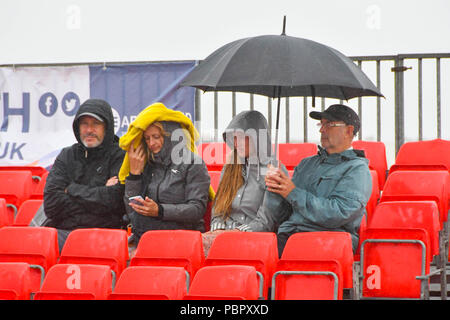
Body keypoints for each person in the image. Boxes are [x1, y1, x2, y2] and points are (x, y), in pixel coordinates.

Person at [265, 104, 372, 256]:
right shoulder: (306, 164)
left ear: (349, 131)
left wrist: (292, 193)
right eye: (321, 124)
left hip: (328, 241)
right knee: (251, 253)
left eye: (329, 124)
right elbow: (283, 213)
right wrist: (275, 189)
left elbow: (339, 212)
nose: (322, 130)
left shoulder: (357, 170)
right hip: (289, 236)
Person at [119, 102, 211, 245]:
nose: (151, 143)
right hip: (148, 235)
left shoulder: (193, 163)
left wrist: (160, 211)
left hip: (182, 237)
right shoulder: (147, 163)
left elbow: (196, 209)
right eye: (147, 138)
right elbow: (132, 212)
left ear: (170, 135)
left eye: (156, 136)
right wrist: (134, 175)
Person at [43, 99, 127, 250]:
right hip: (64, 233)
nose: (89, 130)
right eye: (84, 124)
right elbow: (51, 204)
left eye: (96, 123)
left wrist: (72, 189)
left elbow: (115, 202)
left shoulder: (119, 156)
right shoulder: (67, 155)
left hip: (103, 236)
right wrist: (100, 189)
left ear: (106, 127)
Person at [208, 110, 287, 233]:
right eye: (234, 138)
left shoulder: (274, 171)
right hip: (224, 234)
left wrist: (237, 233)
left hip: (254, 240)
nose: (236, 143)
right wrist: (218, 226)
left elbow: (266, 221)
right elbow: (218, 210)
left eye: (240, 137)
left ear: (257, 138)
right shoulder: (230, 167)